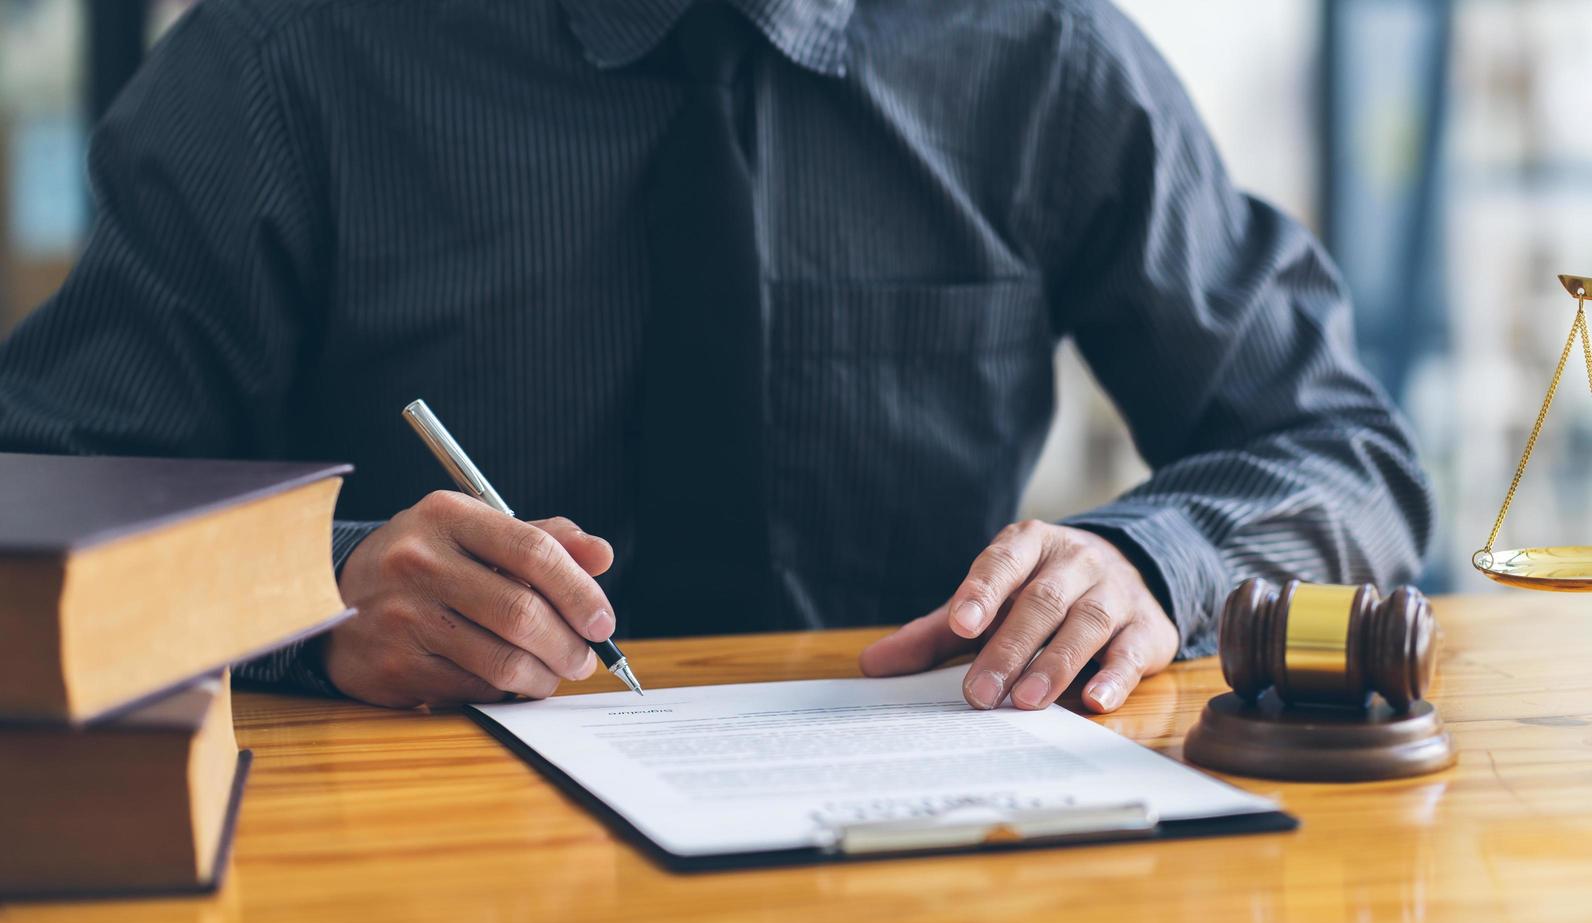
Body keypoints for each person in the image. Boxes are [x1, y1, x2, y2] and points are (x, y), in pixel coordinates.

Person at [0, 0, 1432, 714]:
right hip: (403, 879)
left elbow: (1343, 457)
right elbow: (41, 503)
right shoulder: (284, 58)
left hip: (928, 856)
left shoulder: (1040, 51)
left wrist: (1149, 564)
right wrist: (318, 594)